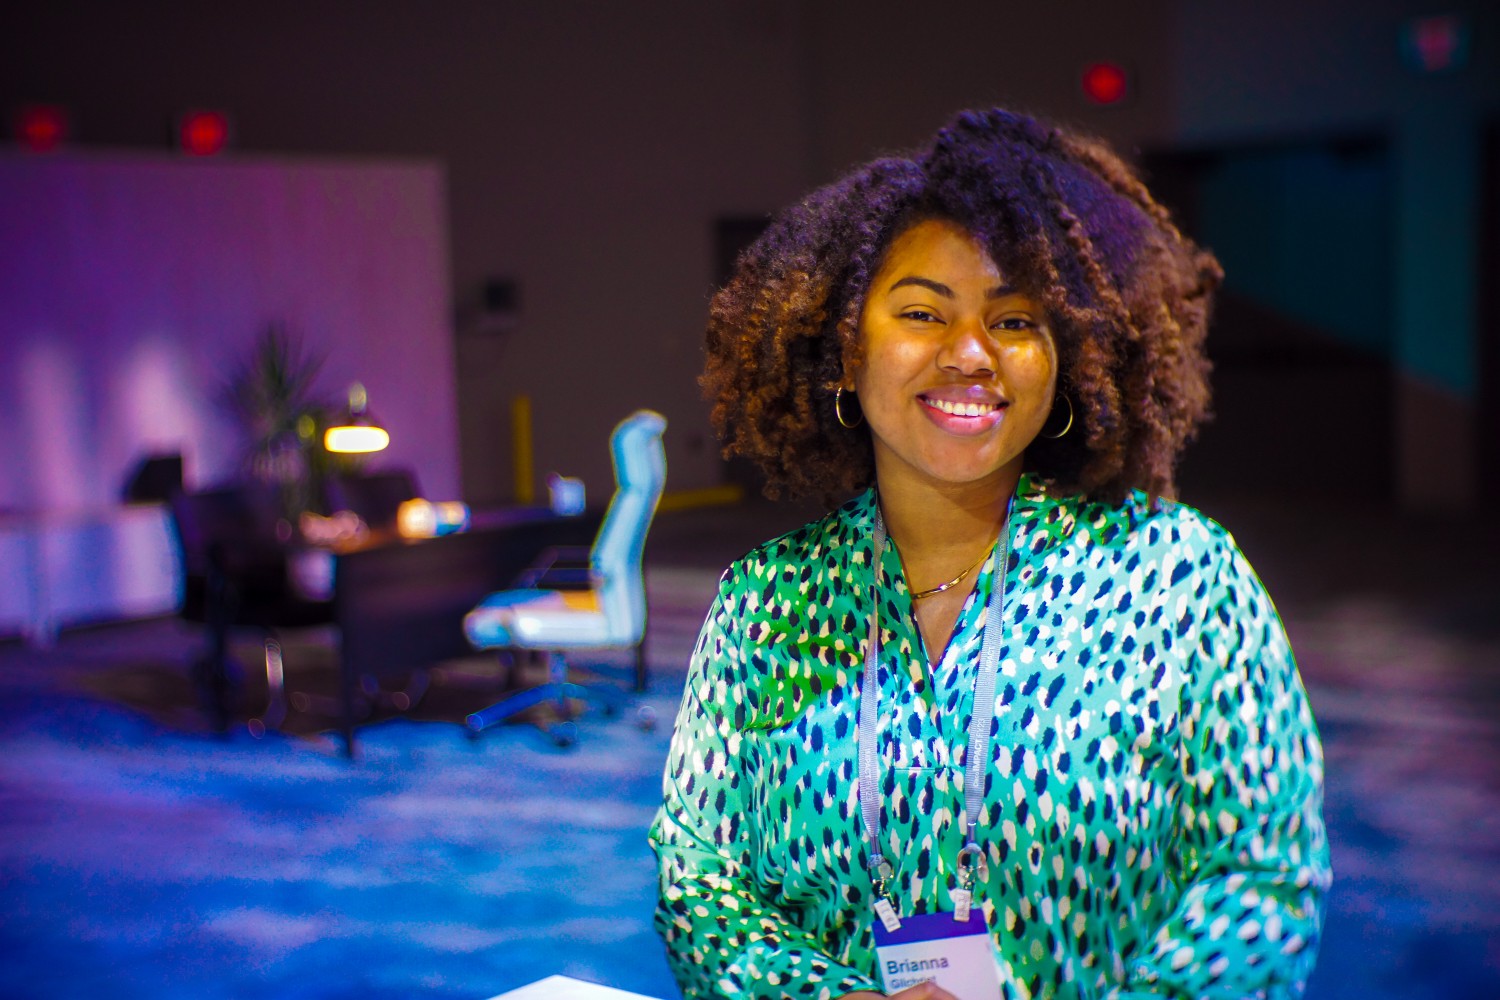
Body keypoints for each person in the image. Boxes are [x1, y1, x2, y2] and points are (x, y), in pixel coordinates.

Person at [649, 107, 1329, 1000]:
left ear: (1067, 361)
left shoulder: (1179, 580)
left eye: (1013, 321)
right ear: (846, 350)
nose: (970, 354)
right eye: (922, 312)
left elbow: (1264, 879)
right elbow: (699, 875)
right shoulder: (765, 602)